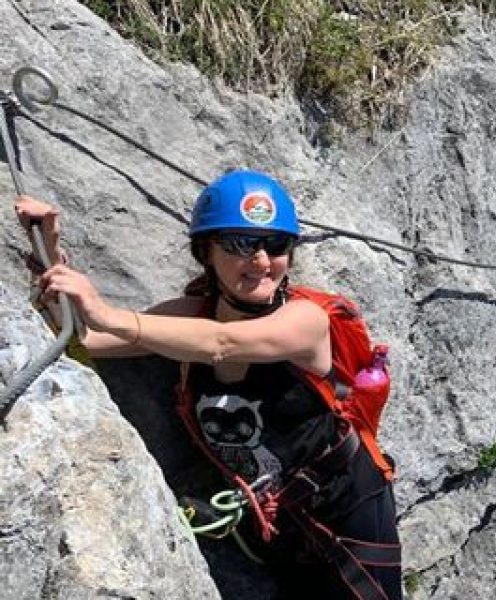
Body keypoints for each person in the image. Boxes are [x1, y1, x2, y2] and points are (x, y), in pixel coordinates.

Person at [17, 169, 401, 599]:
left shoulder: (305, 321)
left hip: (351, 512)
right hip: (276, 521)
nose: (260, 261)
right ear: (206, 253)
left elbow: (224, 344)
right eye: (240, 244)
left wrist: (109, 314)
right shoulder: (192, 314)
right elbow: (85, 338)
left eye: (276, 245)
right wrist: (48, 249)